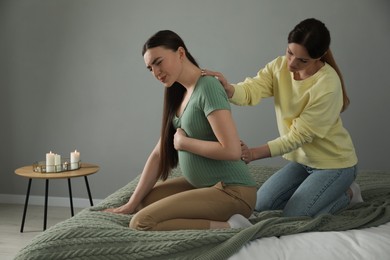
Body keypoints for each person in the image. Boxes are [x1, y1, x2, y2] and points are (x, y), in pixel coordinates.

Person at [202, 18, 363, 218]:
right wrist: (229, 89)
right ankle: (316, 193)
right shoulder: (279, 67)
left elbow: (297, 137)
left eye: (302, 60)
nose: (292, 63)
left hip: (334, 164)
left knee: (293, 217)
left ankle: (349, 193)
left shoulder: (327, 85)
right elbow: (253, 88)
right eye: (289, 53)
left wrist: (253, 153)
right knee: (260, 205)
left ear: (319, 56)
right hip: (303, 162)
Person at [104, 30, 257, 230]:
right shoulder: (179, 94)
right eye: (150, 68)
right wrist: (130, 204)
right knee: (143, 202)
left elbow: (231, 151)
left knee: (142, 222)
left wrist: (185, 143)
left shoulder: (208, 87)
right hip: (204, 186)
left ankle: (231, 226)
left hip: (233, 191)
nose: (155, 72)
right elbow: (159, 154)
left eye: (158, 62)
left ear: (181, 53)